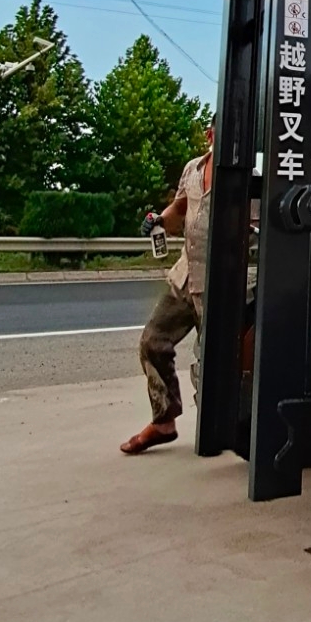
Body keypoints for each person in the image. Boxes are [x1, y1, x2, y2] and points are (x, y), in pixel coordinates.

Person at [120, 120, 214, 455]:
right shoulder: (193, 168)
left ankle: (224, 429)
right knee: (153, 342)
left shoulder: (248, 175)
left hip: (222, 281)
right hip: (186, 276)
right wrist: (159, 219)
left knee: (214, 360)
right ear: (210, 135)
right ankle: (164, 420)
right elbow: (180, 209)